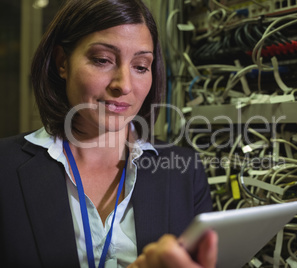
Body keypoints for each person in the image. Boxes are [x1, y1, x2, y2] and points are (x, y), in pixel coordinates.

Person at [0, 0, 217, 267]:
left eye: (140, 66)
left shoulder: (185, 170)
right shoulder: (5, 168)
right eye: (102, 60)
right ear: (62, 63)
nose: (123, 85)